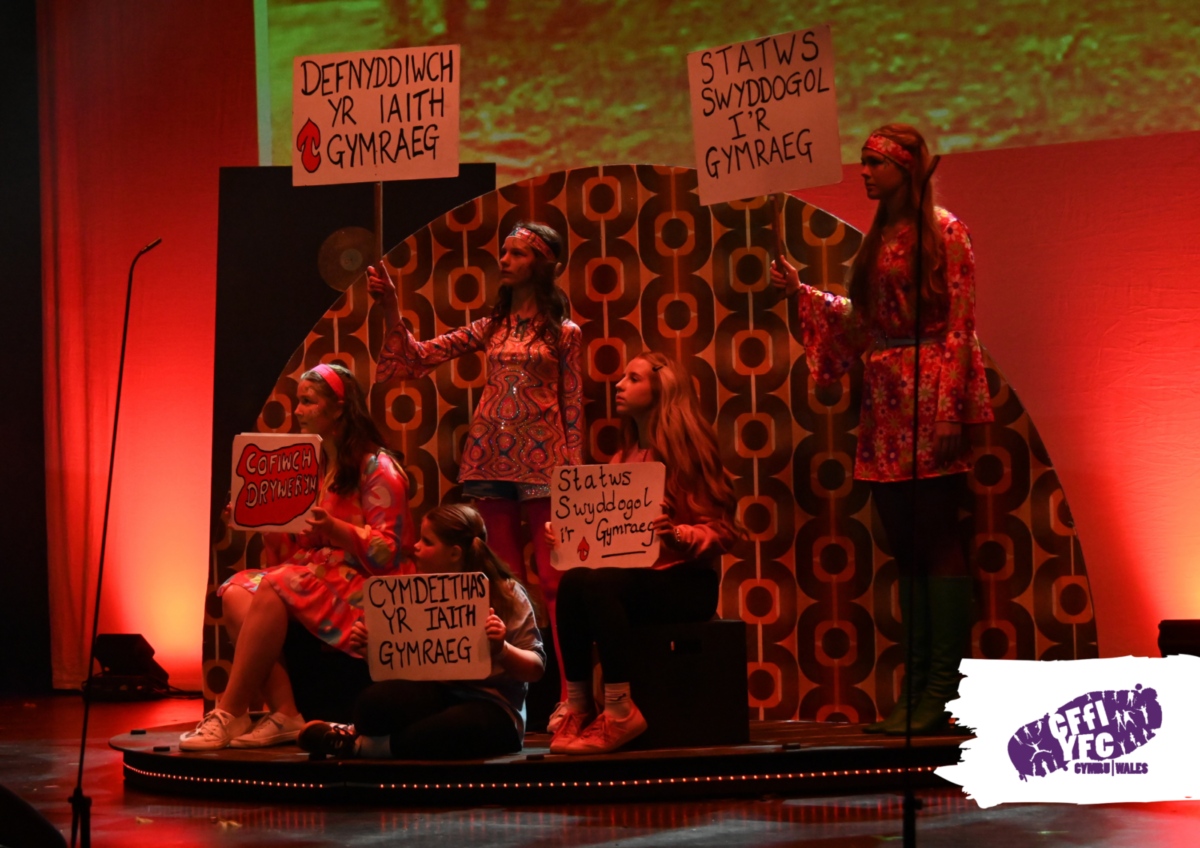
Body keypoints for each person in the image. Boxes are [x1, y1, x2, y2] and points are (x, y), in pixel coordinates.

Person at [770, 123, 993, 735]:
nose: (865, 172)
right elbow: (866, 321)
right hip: (887, 400)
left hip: (931, 390)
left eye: (876, 163)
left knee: (937, 540)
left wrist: (950, 407)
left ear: (906, 169)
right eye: (863, 161)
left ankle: (942, 690)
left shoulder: (945, 232)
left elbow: (960, 324)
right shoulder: (880, 237)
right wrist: (803, 293)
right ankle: (915, 687)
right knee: (905, 545)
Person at [368, 222, 581, 723]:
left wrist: (573, 475)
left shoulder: (564, 333)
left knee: (556, 583)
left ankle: (571, 696)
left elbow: (573, 406)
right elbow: (418, 357)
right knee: (501, 583)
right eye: (504, 251)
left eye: (517, 253)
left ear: (543, 263)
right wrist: (391, 305)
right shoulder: (492, 326)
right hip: (489, 457)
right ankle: (502, 691)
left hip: (546, 461)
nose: (504, 260)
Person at [181, 363, 415, 751]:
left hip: (365, 581)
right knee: (236, 591)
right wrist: (263, 520)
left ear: (338, 408)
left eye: (308, 401)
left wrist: (335, 528)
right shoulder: (312, 466)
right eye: (298, 401)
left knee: (276, 583)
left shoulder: (378, 468)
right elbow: (292, 553)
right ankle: (285, 712)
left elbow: (387, 552)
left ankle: (229, 710)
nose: (298, 411)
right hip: (316, 572)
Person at [547, 352, 742, 755]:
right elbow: (610, 540)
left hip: (689, 581)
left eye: (632, 378)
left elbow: (726, 530)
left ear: (661, 387)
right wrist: (570, 538)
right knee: (573, 582)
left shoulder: (690, 452)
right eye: (622, 377)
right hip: (636, 579)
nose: (619, 385)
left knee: (602, 584)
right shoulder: (623, 457)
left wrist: (680, 535)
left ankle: (619, 708)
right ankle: (579, 705)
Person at [298, 504, 545, 760]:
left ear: (454, 553)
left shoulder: (507, 593)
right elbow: (405, 665)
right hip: (435, 696)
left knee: (457, 727)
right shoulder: (415, 593)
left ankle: (360, 746)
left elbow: (535, 669)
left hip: (493, 708)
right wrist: (370, 651)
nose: (415, 546)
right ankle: (358, 733)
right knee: (374, 704)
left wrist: (502, 649)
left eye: (427, 541)